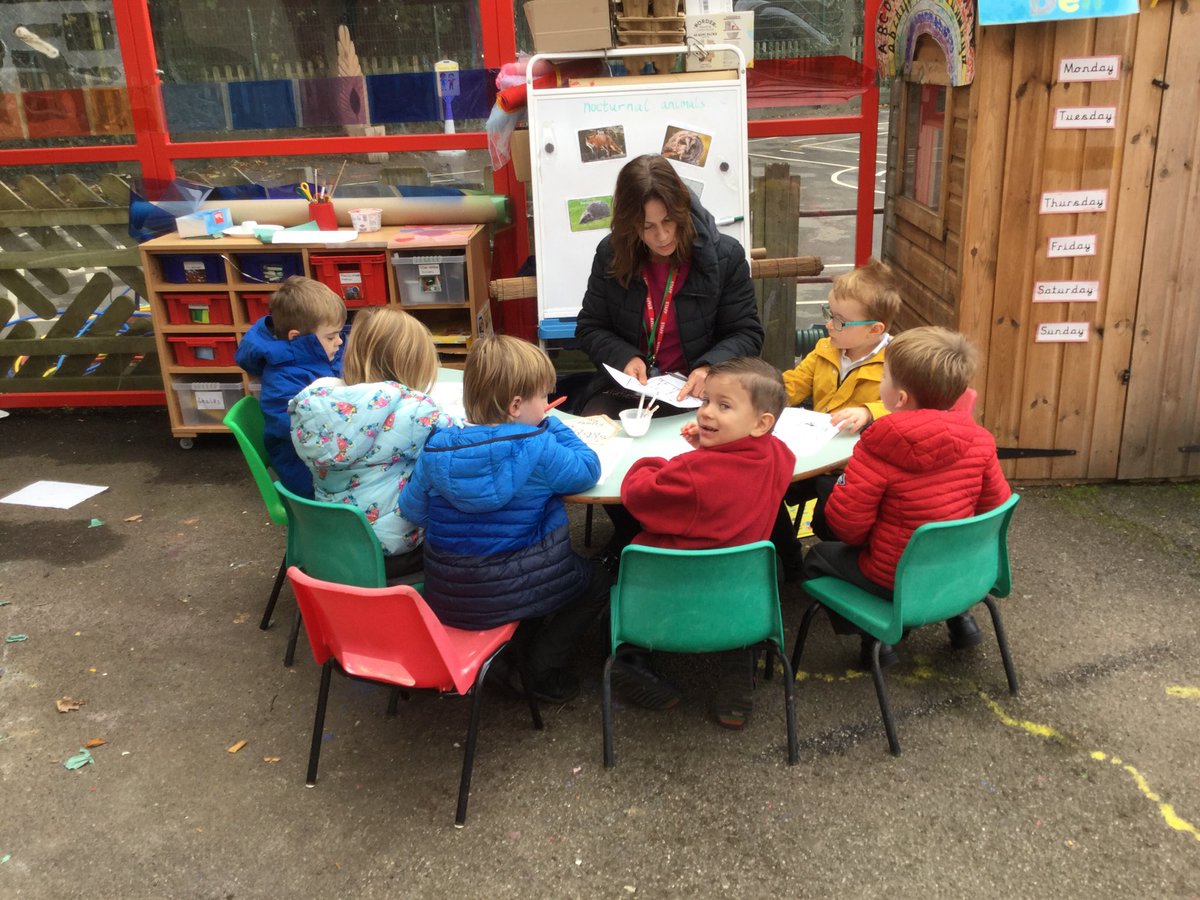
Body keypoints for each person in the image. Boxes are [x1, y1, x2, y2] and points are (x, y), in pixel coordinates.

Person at [398, 335, 610, 705]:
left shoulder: (437, 446)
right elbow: (588, 470)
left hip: (449, 594)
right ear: (516, 405)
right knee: (597, 582)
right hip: (516, 586)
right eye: (544, 397)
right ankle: (539, 670)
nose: (547, 404)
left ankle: (500, 658)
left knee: (516, 573)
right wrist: (554, 426)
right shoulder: (539, 445)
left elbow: (412, 510)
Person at [575, 153, 764, 555]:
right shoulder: (611, 253)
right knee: (599, 456)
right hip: (629, 390)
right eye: (647, 226)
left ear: (683, 211)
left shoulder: (723, 256)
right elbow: (590, 326)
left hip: (697, 391)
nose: (661, 236)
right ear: (630, 225)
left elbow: (747, 331)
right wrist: (624, 355)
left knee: (704, 460)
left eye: (669, 222)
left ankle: (682, 539)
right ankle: (635, 539)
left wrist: (710, 367)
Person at [801, 327, 1012, 668]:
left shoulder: (878, 445)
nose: (880, 380)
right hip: (962, 571)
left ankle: (877, 637)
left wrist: (839, 486)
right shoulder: (981, 439)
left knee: (817, 558)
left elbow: (848, 529)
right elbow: (995, 508)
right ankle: (959, 616)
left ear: (898, 398)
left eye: (883, 375)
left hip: (893, 578)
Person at [619, 357, 796, 729]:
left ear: (761, 423)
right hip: (743, 592)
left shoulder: (690, 474)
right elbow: (736, 476)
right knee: (757, 575)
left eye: (724, 406)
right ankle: (738, 668)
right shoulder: (780, 456)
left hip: (671, 588)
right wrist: (710, 449)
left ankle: (630, 660)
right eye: (706, 402)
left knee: (612, 571)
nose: (707, 414)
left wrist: (658, 461)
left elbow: (637, 494)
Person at [287, 307, 458, 580]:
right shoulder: (417, 411)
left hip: (329, 547)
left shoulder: (315, 403)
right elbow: (456, 446)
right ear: (413, 365)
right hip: (392, 553)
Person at [771, 258, 901, 576]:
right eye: (829, 314)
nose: (829, 325)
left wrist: (870, 411)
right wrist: (759, 400)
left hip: (856, 467)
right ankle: (788, 561)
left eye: (840, 321)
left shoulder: (898, 362)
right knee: (764, 484)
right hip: (815, 451)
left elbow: (911, 409)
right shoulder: (826, 349)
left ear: (875, 330)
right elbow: (792, 385)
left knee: (835, 520)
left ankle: (845, 561)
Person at [235, 276, 346, 499]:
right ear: (296, 337)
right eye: (332, 336)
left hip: (325, 454)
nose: (340, 342)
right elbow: (294, 429)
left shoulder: (319, 353)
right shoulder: (282, 377)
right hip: (305, 471)